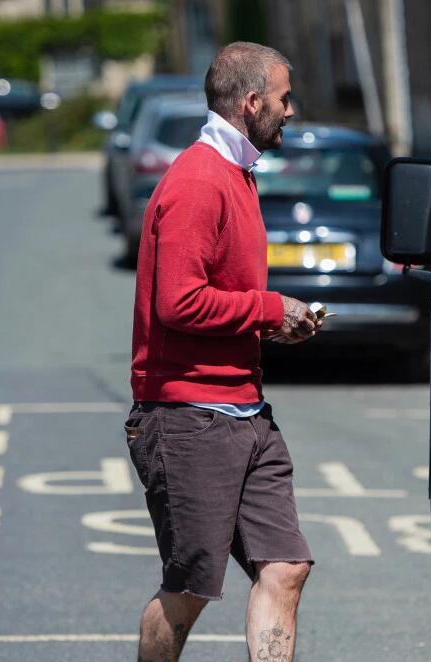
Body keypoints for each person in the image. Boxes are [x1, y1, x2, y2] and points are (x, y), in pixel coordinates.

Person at [125, 41, 321, 662]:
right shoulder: (198, 182)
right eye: (284, 99)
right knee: (189, 589)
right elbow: (177, 304)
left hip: (243, 410)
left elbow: (219, 300)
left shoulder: (235, 176)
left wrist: (271, 325)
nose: (292, 111)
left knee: (286, 566)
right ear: (252, 102)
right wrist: (268, 309)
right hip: (188, 418)